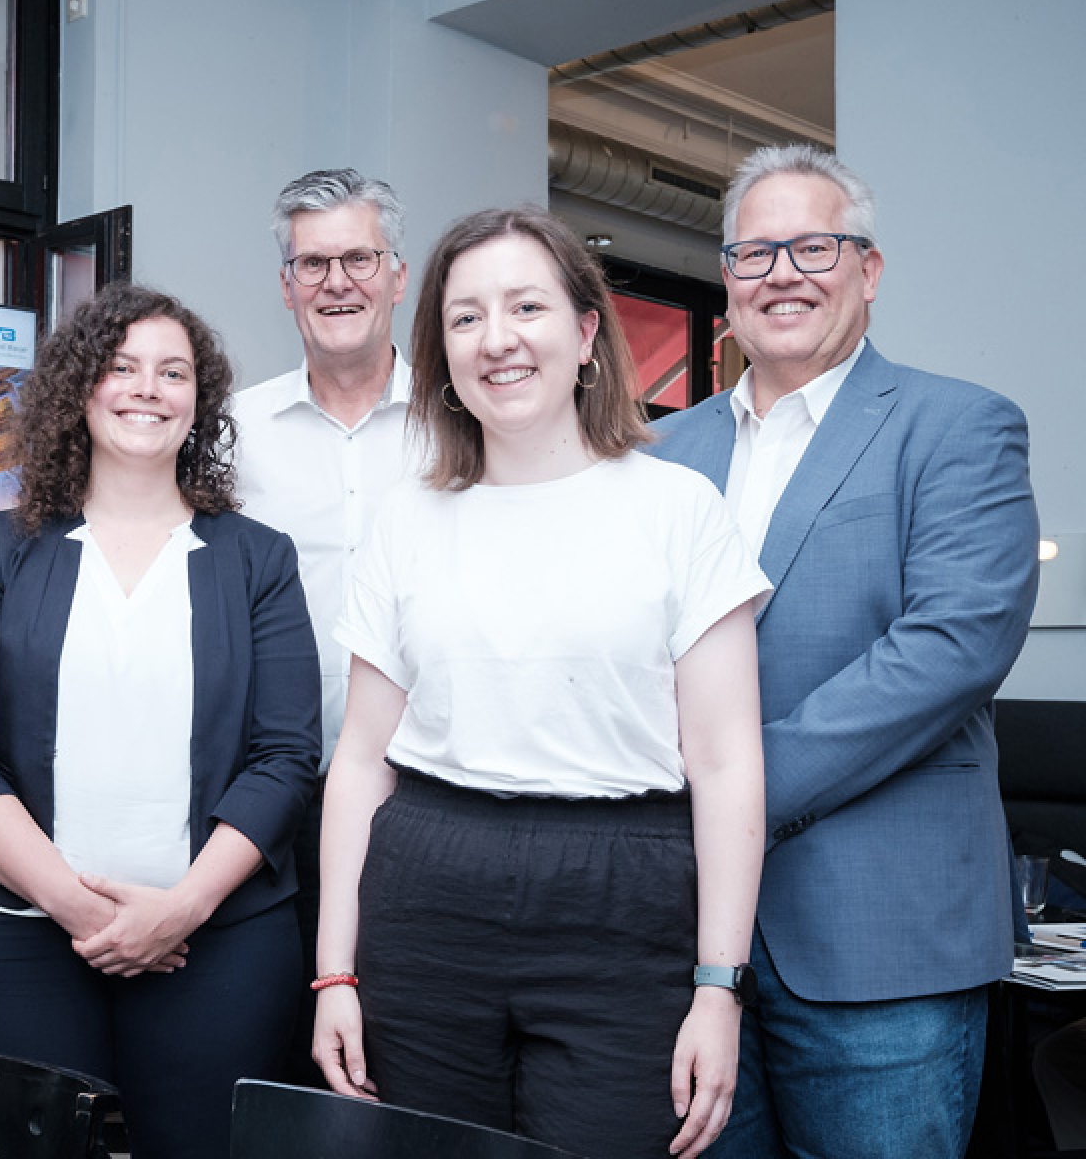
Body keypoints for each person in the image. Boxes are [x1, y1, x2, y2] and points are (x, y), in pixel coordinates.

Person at [313, 206, 768, 1159]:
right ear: (439, 347)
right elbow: (359, 762)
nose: (498, 339)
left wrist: (718, 988)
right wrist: (334, 977)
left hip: (623, 897)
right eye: (466, 316)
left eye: (527, 306)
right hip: (428, 896)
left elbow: (725, 766)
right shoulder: (407, 520)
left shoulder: (678, 508)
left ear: (587, 332)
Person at [653, 144, 1041, 1157]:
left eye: (810, 246)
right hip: (680, 935)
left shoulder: (957, 425)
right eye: (753, 253)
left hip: (880, 940)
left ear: (865, 271)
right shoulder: (657, 453)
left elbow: (950, 647)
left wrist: (732, 791)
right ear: (726, 284)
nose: (781, 272)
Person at [0, 282, 321, 1159]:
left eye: (173, 372)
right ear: (80, 388)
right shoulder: (3, 547)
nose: (148, 388)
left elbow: (286, 757)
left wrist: (179, 910)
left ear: (198, 404)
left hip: (217, 947)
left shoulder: (257, 561)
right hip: (19, 941)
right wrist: (76, 906)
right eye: (123, 366)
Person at [230, 168, 417, 1084]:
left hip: (422, 800)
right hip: (269, 800)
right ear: (285, 284)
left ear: (398, 274)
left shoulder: (463, 425)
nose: (336, 280)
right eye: (313, 262)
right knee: (274, 1061)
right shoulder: (229, 434)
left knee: (406, 1061)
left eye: (358, 258)